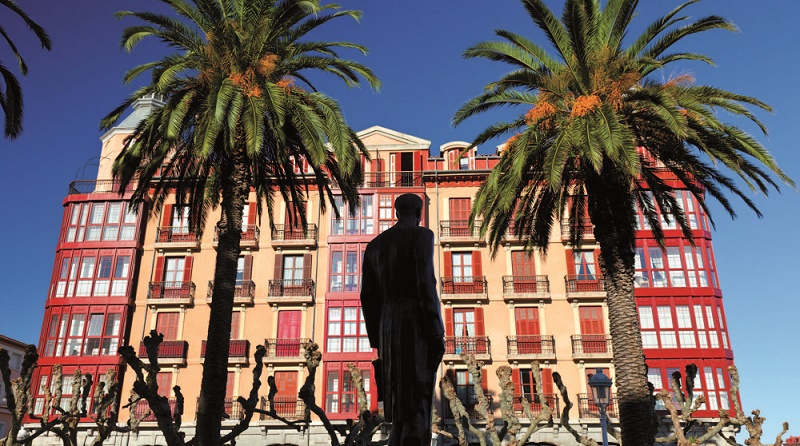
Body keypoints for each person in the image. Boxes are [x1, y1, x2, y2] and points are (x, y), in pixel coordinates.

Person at [361, 193, 445, 446]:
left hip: (387, 325)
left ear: (397, 212)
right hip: (414, 321)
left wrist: (377, 336)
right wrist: (435, 330)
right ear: (419, 212)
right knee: (417, 397)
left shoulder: (375, 246)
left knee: (397, 402)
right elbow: (425, 283)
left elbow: (367, 296)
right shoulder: (421, 236)